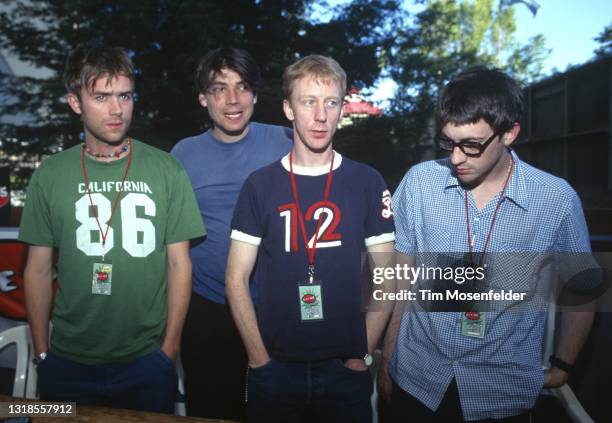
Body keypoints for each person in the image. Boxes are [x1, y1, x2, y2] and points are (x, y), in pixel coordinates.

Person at [380, 66, 595, 422]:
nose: (456, 158)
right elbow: (402, 278)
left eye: (472, 145)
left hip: (501, 395)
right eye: (448, 142)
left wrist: (562, 366)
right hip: (417, 383)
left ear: (509, 132)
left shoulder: (555, 200)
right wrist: (389, 358)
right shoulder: (419, 184)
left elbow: (583, 289)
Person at [19, 45, 205, 413]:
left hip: (147, 362)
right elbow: (37, 269)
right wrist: (43, 354)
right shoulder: (50, 174)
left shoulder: (167, 169)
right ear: (75, 102)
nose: (117, 109)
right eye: (101, 97)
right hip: (67, 363)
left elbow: (180, 265)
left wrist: (168, 350)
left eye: (124, 96)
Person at [226, 54, 396, 423]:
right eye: (308, 102)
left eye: (331, 102)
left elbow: (387, 278)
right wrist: (259, 358)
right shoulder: (260, 185)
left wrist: (361, 356)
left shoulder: (367, 182)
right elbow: (236, 278)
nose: (321, 116)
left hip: (344, 371)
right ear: (288, 108)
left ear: (341, 108)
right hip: (275, 368)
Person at [171, 47, 291, 420]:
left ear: (255, 93)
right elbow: (170, 246)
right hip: (208, 308)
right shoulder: (183, 155)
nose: (233, 99)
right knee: (211, 408)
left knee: (276, 408)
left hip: (277, 307)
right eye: (220, 88)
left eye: (242, 87)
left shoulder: (288, 142)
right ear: (203, 98)